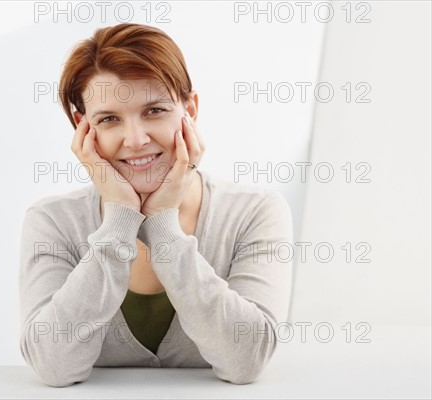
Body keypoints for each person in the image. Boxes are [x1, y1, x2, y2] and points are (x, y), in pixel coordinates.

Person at [19, 23, 293, 388]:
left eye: (154, 111)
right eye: (109, 119)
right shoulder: (53, 222)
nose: (135, 140)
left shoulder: (254, 213)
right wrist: (119, 220)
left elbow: (245, 362)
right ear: (82, 127)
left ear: (189, 110)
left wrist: (162, 223)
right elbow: (53, 366)